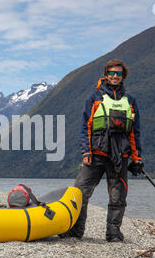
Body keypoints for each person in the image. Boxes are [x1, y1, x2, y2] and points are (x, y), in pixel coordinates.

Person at [61, 59, 143, 242]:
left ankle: (113, 233)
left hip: (120, 156)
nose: (115, 76)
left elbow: (134, 132)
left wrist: (136, 158)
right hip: (96, 155)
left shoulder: (130, 101)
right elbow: (85, 127)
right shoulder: (94, 97)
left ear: (123, 77)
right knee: (80, 193)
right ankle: (76, 231)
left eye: (118, 74)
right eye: (112, 73)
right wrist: (86, 151)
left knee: (118, 197)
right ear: (106, 75)